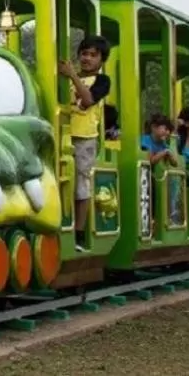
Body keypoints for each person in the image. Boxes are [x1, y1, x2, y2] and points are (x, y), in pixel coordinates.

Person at [58, 36, 112, 252]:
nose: (87, 58)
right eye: (84, 53)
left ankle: (79, 233)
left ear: (101, 59)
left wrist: (72, 75)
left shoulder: (102, 80)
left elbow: (88, 101)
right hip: (63, 133)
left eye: (92, 55)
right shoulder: (69, 78)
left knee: (81, 182)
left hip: (84, 137)